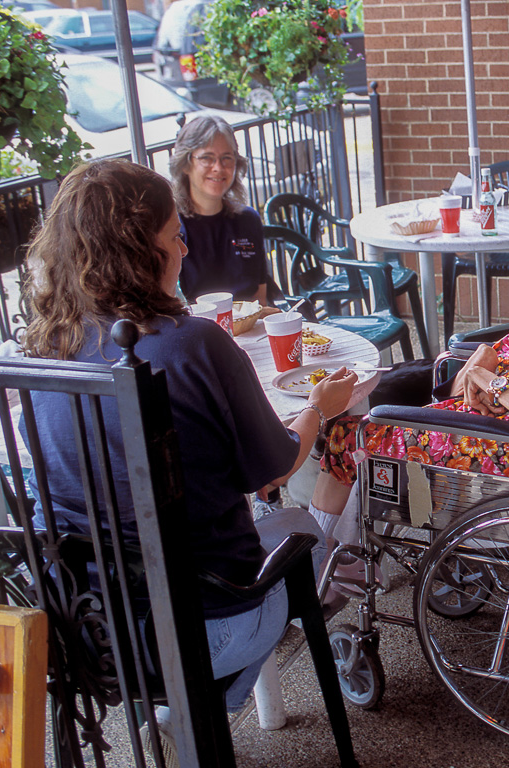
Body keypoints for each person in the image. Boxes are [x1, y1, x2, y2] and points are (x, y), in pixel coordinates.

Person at [22, 159, 357, 766]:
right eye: (175, 235)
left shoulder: (44, 350)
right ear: (136, 251)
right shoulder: (193, 341)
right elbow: (275, 471)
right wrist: (316, 405)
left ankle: (184, 715)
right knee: (308, 529)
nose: (183, 247)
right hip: (205, 626)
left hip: (88, 630)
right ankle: (190, 710)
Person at [307, 221, 509, 544]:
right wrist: (481, 359)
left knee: (347, 437)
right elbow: (457, 393)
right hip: (472, 430)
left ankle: (322, 561)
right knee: (372, 428)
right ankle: (349, 546)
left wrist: (489, 381)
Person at [169, 114, 269, 304]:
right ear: (185, 164)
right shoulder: (173, 227)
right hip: (198, 330)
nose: (218, 167)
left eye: (226, 158)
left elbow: (260, 297)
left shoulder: (248, 219)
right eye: (207, 158)